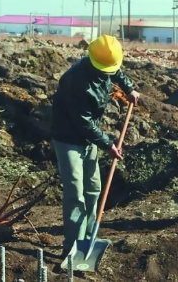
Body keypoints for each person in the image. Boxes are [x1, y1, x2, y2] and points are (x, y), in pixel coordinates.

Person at [51, 34, 140, 258]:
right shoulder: (76, 82)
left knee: (93, 188)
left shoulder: (104, 65)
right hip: (69, 139)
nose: (109, 73)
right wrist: (108, 144)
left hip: (89, 138)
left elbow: (116, 70)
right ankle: (73, 246)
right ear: (93, 62)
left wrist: (128, 88)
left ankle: (89, 237)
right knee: (76, 194)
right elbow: (84, 122)